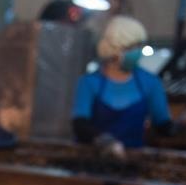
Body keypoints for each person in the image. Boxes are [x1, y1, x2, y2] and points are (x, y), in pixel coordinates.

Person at [72, 16, 173, 158]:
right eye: (131, 47)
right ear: (114, 50)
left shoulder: (150, 83)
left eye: (139, 46)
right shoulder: (89, 82)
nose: (137, 51)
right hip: (92, 161)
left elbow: (164, 127)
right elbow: (80, 125)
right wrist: (105, 141)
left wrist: (185, 122)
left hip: (132, 161)